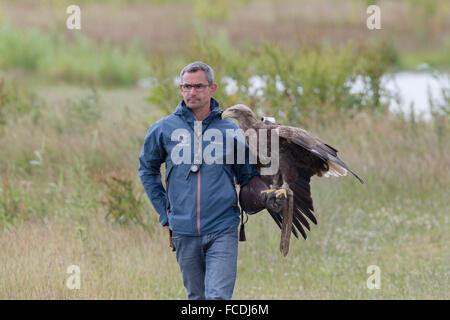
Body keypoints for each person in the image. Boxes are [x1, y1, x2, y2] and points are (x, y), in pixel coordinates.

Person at [138, 61, 282, 300]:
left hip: (223, 227)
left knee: (217, 297)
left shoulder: (231, 129)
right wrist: (165, 213)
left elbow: (248, 175)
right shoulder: (163, 129)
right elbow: (147, 169)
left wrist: (270, 192)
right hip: (183, 229)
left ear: (212, 88)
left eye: (198, 86)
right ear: (181, 88)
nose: (191, 92)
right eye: (186, 86)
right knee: (197, 297)